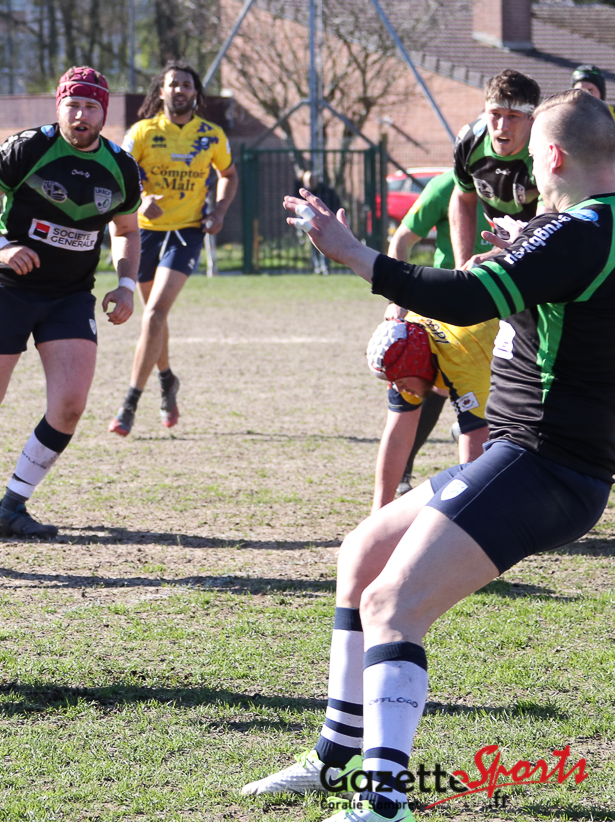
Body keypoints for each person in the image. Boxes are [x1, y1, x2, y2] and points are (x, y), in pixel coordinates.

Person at [243, 89, 615, 822]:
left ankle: (383, 801)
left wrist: (354, 254)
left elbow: (466, 297)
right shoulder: (589, 229)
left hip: (542, 463)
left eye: (532, 156)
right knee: (363, 553)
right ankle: (337, 755)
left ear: (552, 155)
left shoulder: (579, 232)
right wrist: (523, 245)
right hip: (541, 458)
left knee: (392, 604)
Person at [0, 67, 141, 538]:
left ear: (104, 113)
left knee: (70, 406)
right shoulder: (29, 147)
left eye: (91, 106)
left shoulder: (122, 167)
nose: (81, 115)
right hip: (9, 287)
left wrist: (126, 284)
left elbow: (126, 230)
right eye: (73, 104)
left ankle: (11, 506)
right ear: (58, 106)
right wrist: (2, 245)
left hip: (70, 296)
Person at [109, 61, 238, 436]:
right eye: (173, 84)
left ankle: (129, 404)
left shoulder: (211, 135)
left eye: (187, 85)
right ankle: (167, 379)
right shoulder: (142, 132)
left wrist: (220, 211)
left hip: (186, 233)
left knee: (154, 314)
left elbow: (228, 174)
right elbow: (120, 172)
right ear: (161, 91)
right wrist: (142, 198)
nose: (180, 90)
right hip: (144, 234)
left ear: (195, 93)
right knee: (155, 319)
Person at [379, 173, 491, 493]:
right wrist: (398, 298)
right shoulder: (445, 186)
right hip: (449, 312)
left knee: (518, 388)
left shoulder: (528, 179)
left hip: (512, 305)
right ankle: (401, 474)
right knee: (425, 384)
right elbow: (402, 239)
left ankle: (480, 432)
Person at [364, 315, 492, 511]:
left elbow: (473, 460)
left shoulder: (462, 363)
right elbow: (398, 437)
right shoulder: (406, 349)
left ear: (418, 365)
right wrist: (378, 513)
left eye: (401, 381)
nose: (399, 388)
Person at [446, 70, 540, 268]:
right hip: (504, 244)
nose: (502, 126)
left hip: (546, 249)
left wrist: (494, 255)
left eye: (513, 116)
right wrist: (462, 265)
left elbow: (549, 222)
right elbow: (463, 199)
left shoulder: (544, 151)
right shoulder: (470, 140)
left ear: (531, 119)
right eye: (495, 114)